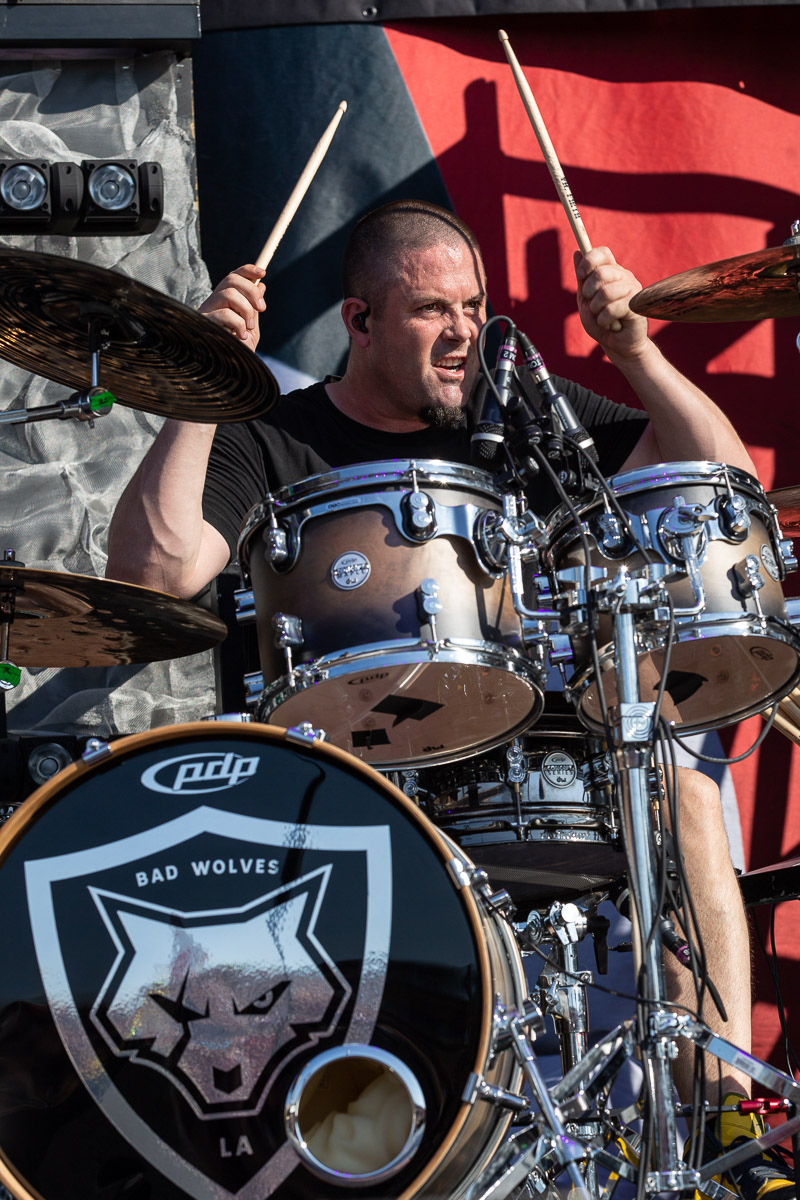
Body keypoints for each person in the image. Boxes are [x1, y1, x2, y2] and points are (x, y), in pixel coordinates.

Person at [106, 200, 789, 1197]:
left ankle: (734, 1130)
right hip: (349, 787)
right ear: (360, 320)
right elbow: (155, 568)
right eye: (431, 308)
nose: (464, 329)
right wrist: (200, 390)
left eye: (471, 305)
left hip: (539, 761)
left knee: (678, 779)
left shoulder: (519, 410)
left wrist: (636, 354)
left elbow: (720, 485)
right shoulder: (272, 438)